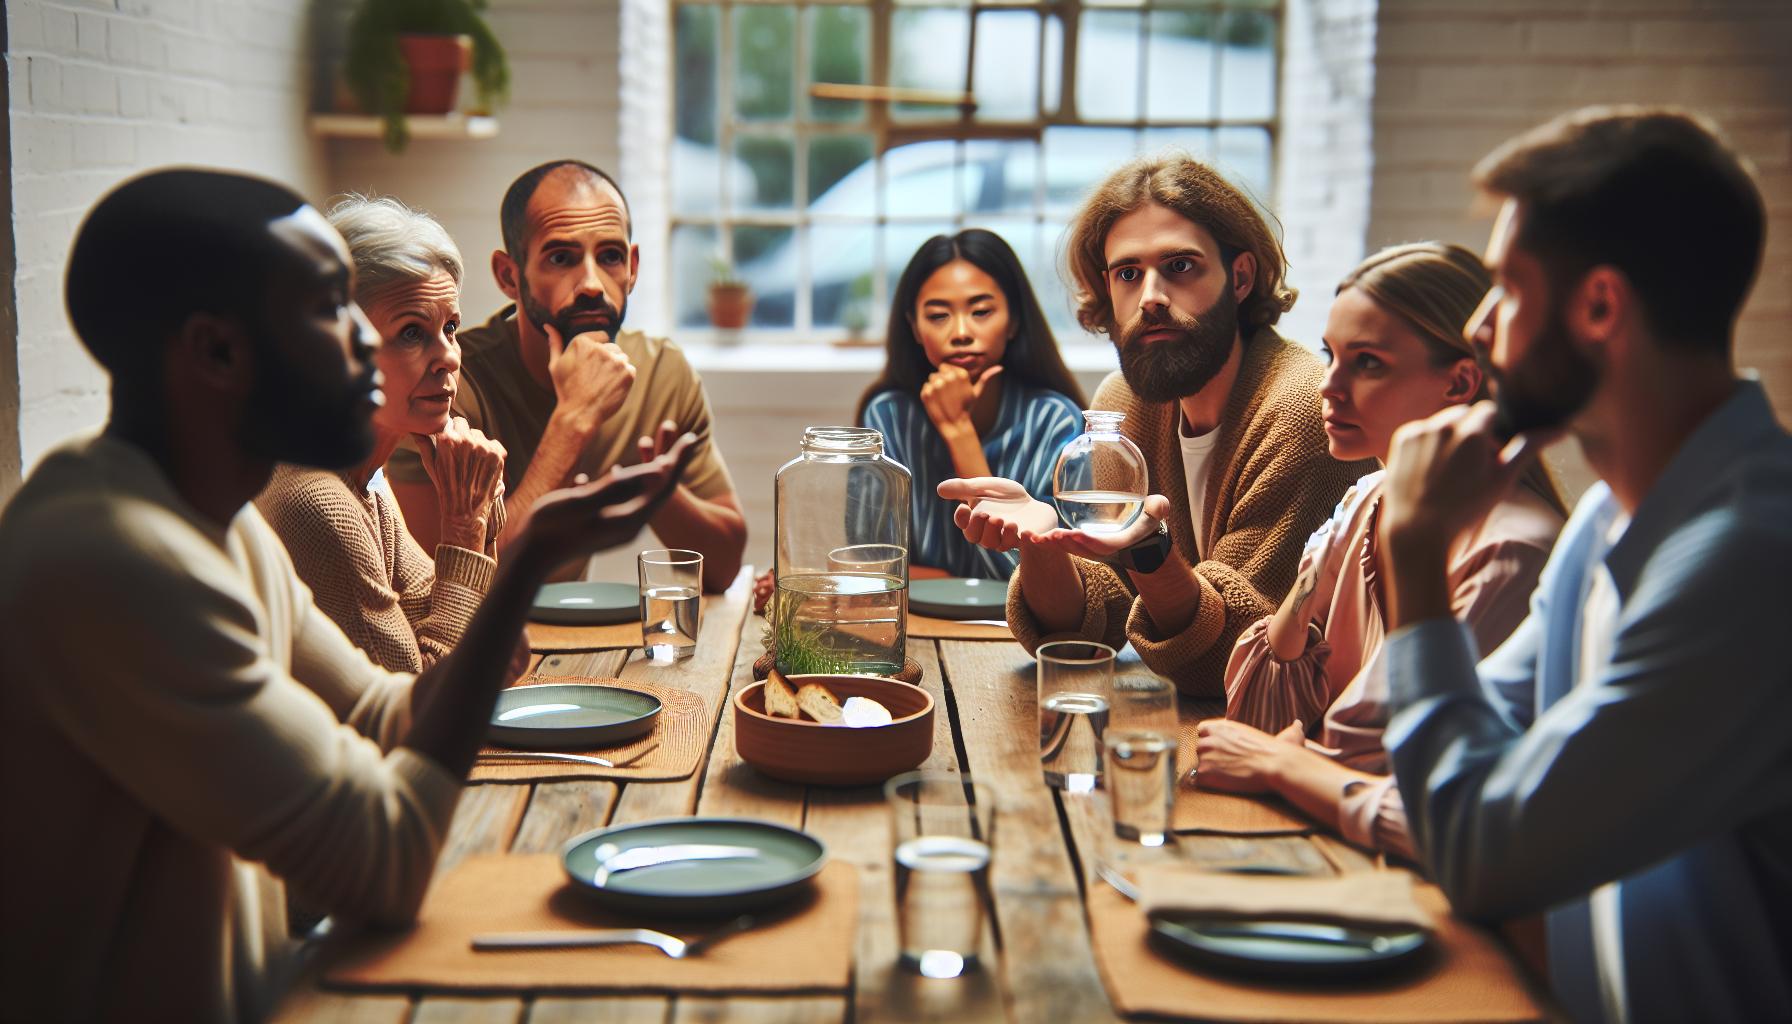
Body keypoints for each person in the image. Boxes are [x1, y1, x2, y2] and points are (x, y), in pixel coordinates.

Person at [0, 168, 695, 1022]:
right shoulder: (116, 560)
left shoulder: (217, 518)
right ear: (217, 351)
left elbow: (388, 711)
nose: (370, 348)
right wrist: (519, 562)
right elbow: (385, 863)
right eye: (333, 310)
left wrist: (517, 560)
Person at [1376, 107, 1791, 1021]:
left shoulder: (1751, 560)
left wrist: (1411, 551)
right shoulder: (1607, 517)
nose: (1481, 327)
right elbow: (1471, 742)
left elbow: (1479, 849)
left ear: (1600, 306)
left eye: (1509, 290)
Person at [942, 154, 1372, 696]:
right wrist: (1043, 541)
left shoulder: (1303, 411)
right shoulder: (1124, 405)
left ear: (1240, 278)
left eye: (1180, 267)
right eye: (1128, 274)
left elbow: (1240, 660)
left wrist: (1150, 553)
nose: (1150, 298)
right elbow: (1086, 630)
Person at [1191, 243, 1565, 860]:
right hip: (1333, 843)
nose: (1329, 389)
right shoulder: (1368, 495)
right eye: (1329, 356)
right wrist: (1328, 549)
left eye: (1367, 364)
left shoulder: (1510, 552)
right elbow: (1256, 718)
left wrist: (1287, 764)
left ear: (1460, 381)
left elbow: (1399, 777)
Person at [383, 159, 746, 589]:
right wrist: (572, 421)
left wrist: (659, 493)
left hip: (572, 648)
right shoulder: (446, 384)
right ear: (509, 275)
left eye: (610, 256)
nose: (591, 283)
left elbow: (722, 570)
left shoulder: (660, 373)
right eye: (561, 258)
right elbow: (441, 593)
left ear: (632, 268)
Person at [257, 194, 508, 673]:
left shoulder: (367, 477)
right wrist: (463, 529)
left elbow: (452, 635)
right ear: (339, 343)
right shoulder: (318, 503)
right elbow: (423, 708)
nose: (450, 356)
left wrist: (480, 519)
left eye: (450, 327)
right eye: (412, 332)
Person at [857, 229, 1085, 580]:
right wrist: (948, 583)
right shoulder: (888, 415)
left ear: (1014, 321)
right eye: (938, 316)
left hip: (1015, 634)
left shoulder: (1054, 419)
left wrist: (958, 429)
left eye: (981, 311)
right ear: (914, 328)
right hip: (918, 626)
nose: (961, 332)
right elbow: (866, 568)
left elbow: (1034, 581)